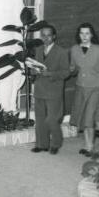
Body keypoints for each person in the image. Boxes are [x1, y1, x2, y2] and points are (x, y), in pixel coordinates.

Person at [70, 23, 99, 156]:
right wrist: (72, 70)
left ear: (91, 35)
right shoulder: (74, 49)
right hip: (81, 86)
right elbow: (73, 68)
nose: (84, 36)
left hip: (96, 87)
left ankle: (90, 147)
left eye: (87, 33)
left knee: (89, 116)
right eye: (82, 33)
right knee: (83, 117)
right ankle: (86, 145)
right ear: (78, 35)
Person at [31, 24, 70, 155]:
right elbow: (35, 67)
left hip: (54, 90)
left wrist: (51, 74)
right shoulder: (38, 50)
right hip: (39, 89)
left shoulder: (62, 52)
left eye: (49, 35)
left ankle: (56, 143)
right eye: (43, 35)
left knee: (52, 119)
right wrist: (33, 70)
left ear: (54, 36)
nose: (46, 38)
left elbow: (66, 73)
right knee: (40, 118)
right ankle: (42, 144)